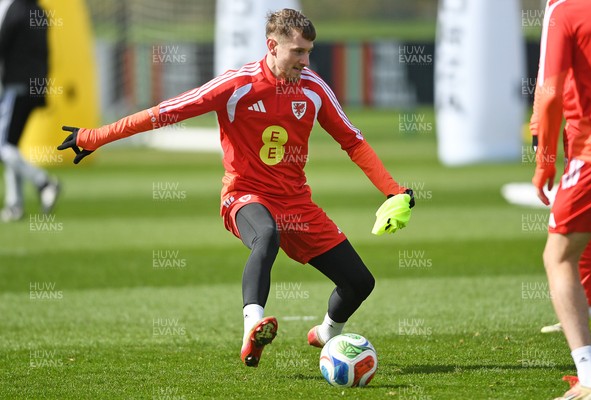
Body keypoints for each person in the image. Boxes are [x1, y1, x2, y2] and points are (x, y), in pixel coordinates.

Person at [57, 9, 414, 367]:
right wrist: (95, 136)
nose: (306, 61)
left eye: (308, 51)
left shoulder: (314, 88)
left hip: (297, 203)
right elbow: (165, 111)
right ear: (271, 46)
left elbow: (354, 142)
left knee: (359, 283)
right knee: (267, 235)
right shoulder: (236, 85)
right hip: (245, 196)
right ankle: (252, 327)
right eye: (298, 52)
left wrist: (393, 190)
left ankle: (326, 335)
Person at [531, 0, 591, 398]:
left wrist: (544, 161)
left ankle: (589, 379)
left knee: (558, 256)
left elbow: (551, 92)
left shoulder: (564, 11)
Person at [532, 73, 591, 335]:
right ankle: (586, 308)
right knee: (577, 227)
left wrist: (543, 156)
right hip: (578, 136)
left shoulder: (563, 31)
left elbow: (549, 87)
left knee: (566, 234)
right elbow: (546, 83)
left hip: (587, 140)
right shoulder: (558, 35)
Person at [0, 0, 60, 222]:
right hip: (34, 88)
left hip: (16, 86)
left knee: (3, 146)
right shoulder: (41, 12)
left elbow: (3, 42)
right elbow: (46, 54)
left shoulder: (15, 9)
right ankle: (14, 205)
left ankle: (43, 182)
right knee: (11, 146)